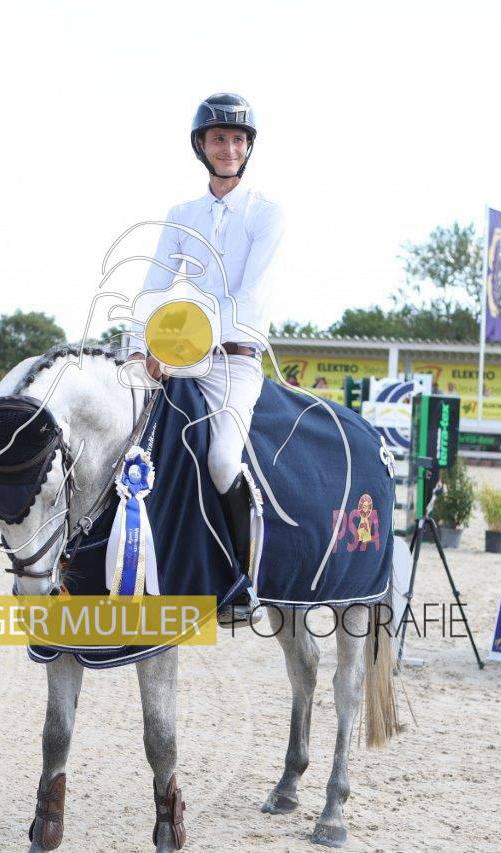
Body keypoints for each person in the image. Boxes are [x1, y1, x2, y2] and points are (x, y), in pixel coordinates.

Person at [128, 92, 284, 623]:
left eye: (238, 139)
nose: (229, 148)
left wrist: (180, 346)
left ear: (248, 147)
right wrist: (139, 343)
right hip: (179, 355)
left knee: (221, 460)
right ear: (201, 145)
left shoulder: (266, 214)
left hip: (234, 361)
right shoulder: (182, 215)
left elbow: (248, 297)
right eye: (219, 138)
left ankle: (244, 583)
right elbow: (154, 285)